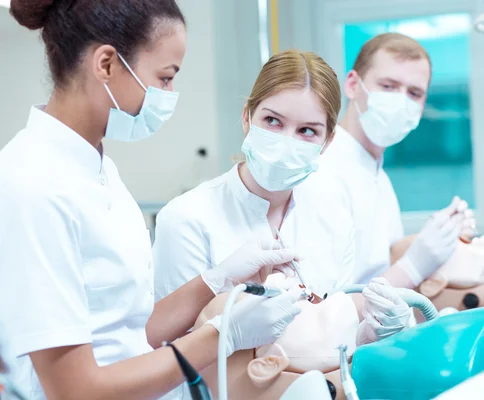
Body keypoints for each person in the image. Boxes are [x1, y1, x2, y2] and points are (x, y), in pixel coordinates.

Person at [0, 1, 303, 399]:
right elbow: (73, 390)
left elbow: (129, 328)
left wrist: (218, 280)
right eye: (164, 78)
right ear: (106, 64)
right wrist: (220, 336)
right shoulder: (31, 183)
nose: (169, 95)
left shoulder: (99, 169)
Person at [301, 32, 475, 342]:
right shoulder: (322, 171)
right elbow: (325, 311)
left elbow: (378, 265)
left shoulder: (377, 174)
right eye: (388, 86)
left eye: (414, 93)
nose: (400, 101)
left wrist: (443, 242)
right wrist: (416, 262)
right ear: (354, 85)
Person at [152, 50, 355, 302]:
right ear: (246, 117)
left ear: (327, 142)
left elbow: (339, 320)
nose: (285, 143)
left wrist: (366, 326)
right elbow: (171, 336)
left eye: (307, 130)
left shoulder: (335, 218)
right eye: (272, 121)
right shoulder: (187, 218)